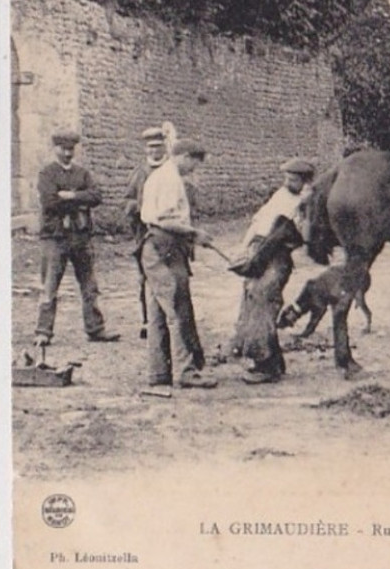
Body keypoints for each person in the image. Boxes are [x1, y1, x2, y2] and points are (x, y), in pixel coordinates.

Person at [138, 138, 216, 389]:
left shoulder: (160, 176)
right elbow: (166, 220)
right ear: (185, 157)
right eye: (194, 164)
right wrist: (195, 234)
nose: (193, 170)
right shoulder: (170, 179)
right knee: (178, 308)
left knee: (158, 312)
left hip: (154, 248)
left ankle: (158, 372)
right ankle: (186, 371)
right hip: (165, 248)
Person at [232, 158, 315, 384]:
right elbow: (258, 221)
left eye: (294, 179)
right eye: (287, 178)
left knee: (264, 301)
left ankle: (266, 365)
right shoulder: (280, 195)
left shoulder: (308, 204)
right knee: (253, 298)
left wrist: (304, 206)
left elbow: (305, 236)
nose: (288, 182)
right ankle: (272, 361)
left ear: (306, 181)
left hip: (277, 257)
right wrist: (245, 248)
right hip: (259, 252)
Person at [34, 130, 120, 347]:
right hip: (54, 237)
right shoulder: (47, 173)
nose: (67, 153)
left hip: (80, 236)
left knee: (89, 285)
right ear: (55, 149)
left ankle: (95, 328)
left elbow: (96, 196)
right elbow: (49, 202)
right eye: (63, 149)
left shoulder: (82, 173)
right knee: (49, 286)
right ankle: (43, 332)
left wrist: (70, 195)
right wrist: (80, 200)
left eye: (71, 149)